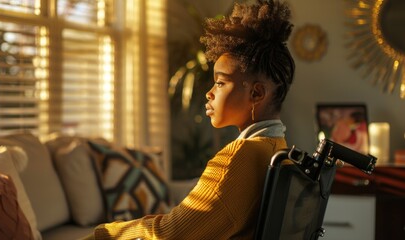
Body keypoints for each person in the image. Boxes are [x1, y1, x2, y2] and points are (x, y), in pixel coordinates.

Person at [84, 0, 295, 239]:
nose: (209, 92)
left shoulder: (238, 158)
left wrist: (103, 234)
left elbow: (171, 234)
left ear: (256, 93)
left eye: (220, 82)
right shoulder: (278, 148)